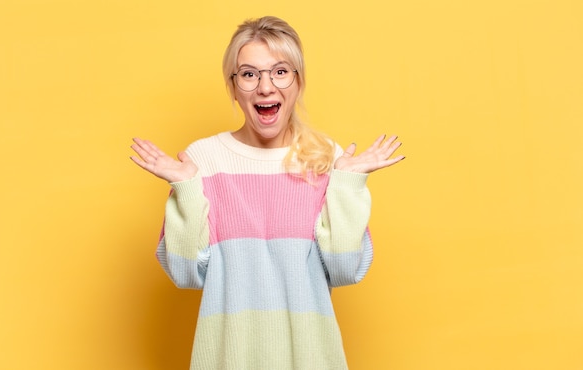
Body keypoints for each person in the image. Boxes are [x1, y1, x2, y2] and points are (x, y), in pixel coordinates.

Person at [130, 15, 404, 370]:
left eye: (280, 71)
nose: (265, 87)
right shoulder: (203, 160)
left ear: (298, 81)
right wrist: (186, 189)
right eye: (249, 74)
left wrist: (346, 185)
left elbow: (343, 268)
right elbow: (185, 274)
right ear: (233, 86)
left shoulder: (326, 158)